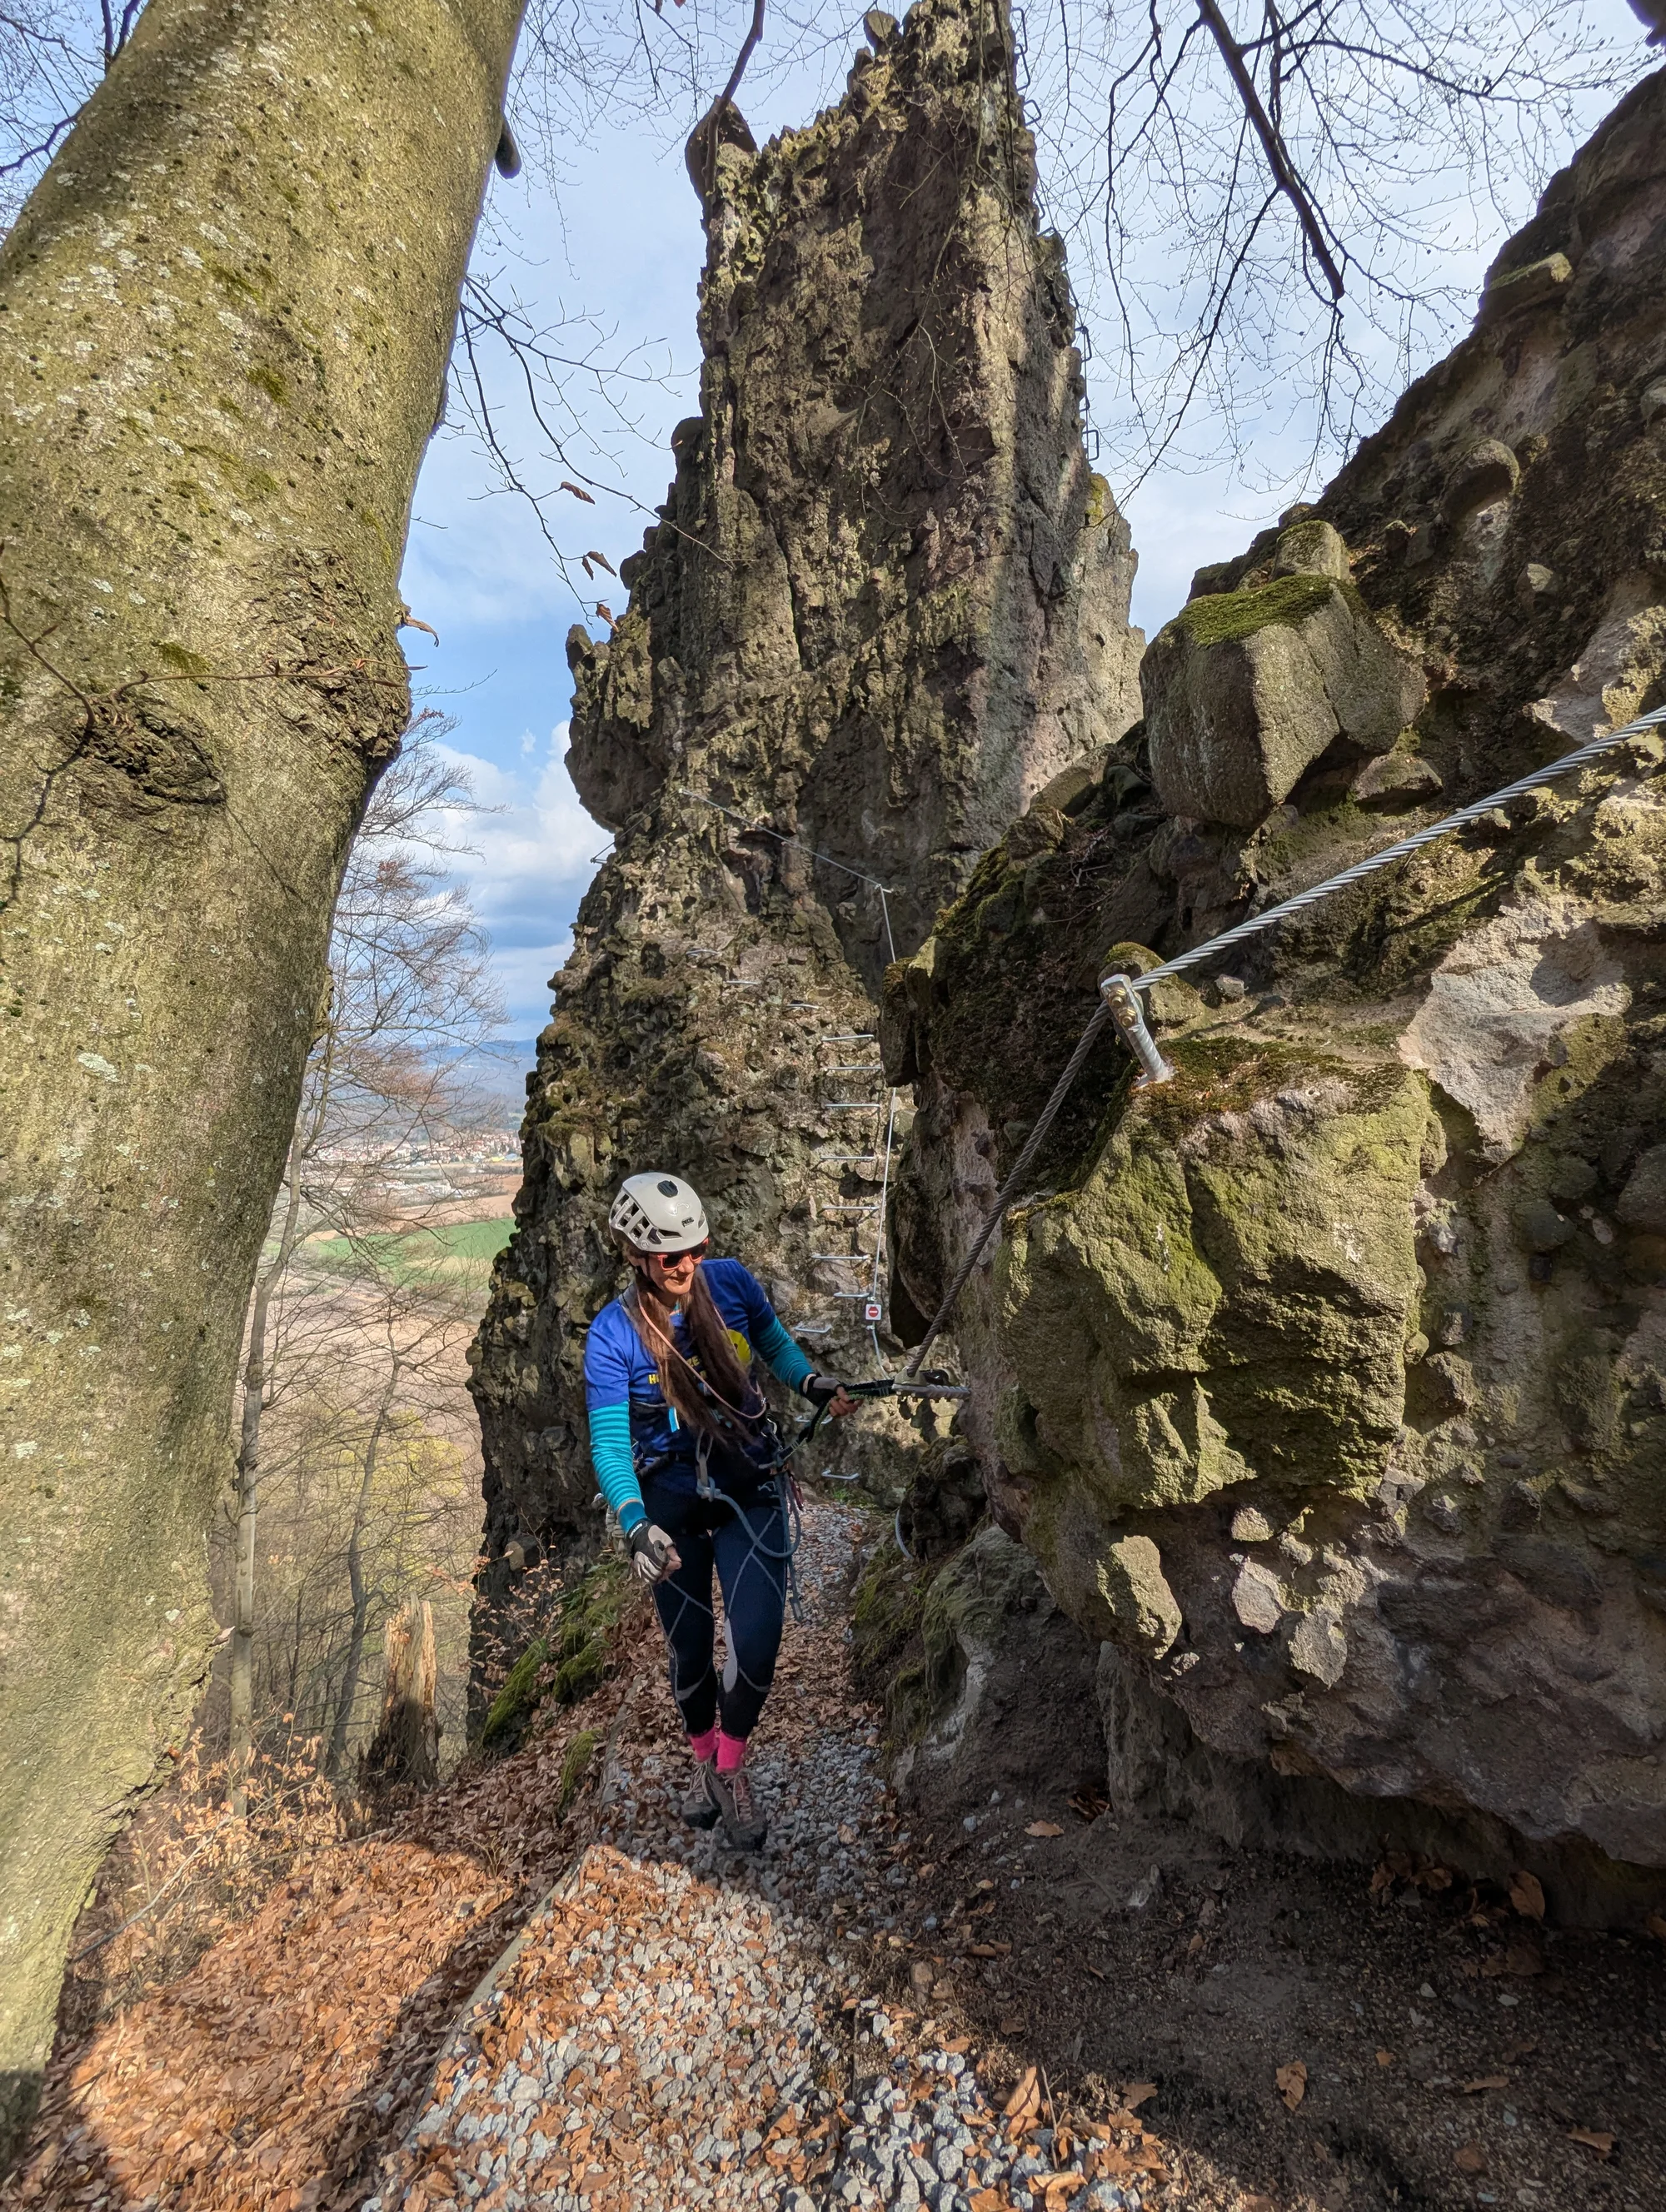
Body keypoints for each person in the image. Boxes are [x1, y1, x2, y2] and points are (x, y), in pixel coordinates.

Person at [584, 1172, 856, 1850]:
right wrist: (633, 1521)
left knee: (759, 1645)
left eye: (696, 1249)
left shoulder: (731, 1283)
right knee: (690, 1654)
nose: (687, 1266)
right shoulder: (614, 1336)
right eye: (672, 1256)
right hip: (670, 1503)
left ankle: (730, 1766)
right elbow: (612, 1444)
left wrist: (813, 1382)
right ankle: (705, 1759)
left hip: (748, 1480)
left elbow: (776, 1349)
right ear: (637, 1255)